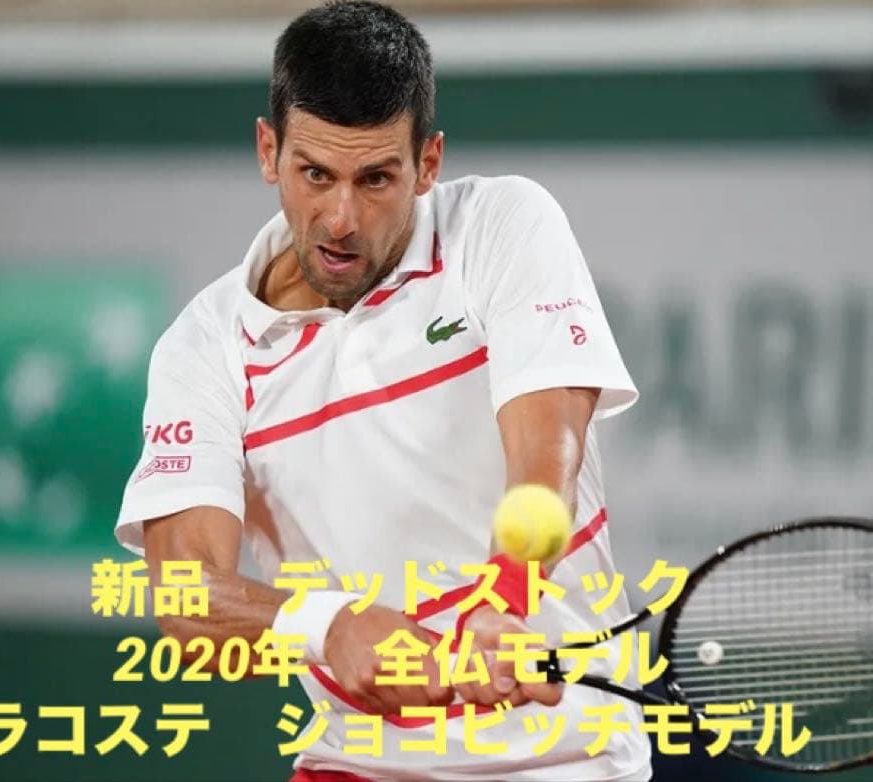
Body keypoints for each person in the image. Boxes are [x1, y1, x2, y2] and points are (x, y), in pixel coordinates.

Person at [115, 2, 651, 779]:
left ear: (427, 163)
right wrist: (329, 626)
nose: (341, 218)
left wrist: (503, 598)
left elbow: (547, 458)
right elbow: (187, 598)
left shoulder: (503, 225)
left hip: (566, 760)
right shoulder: (202, 348)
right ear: (269, 152)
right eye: (315, 174)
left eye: (375, 179)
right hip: (355, 763)